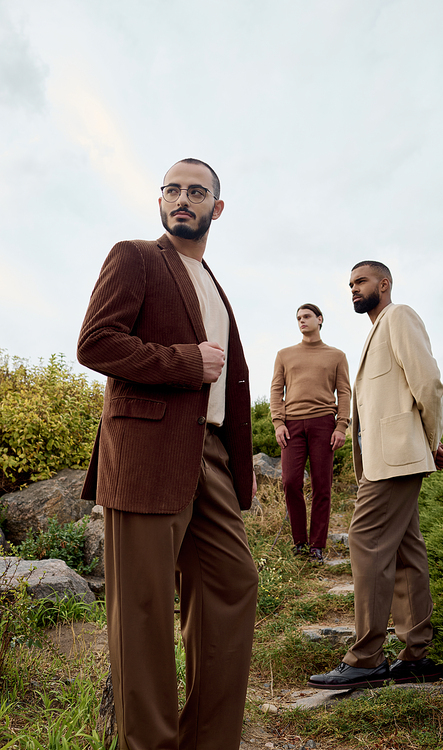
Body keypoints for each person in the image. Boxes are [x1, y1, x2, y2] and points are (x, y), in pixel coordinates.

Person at [77, 158, 259, 750]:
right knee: (145, 616)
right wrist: (186, 361)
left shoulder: (212, 283)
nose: (184, 198)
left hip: (209, 457)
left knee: (233, 585)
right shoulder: (135, 256)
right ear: (160, 202)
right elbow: (96, 342)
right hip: (147, 455)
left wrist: (235, 465)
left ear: (217, 208)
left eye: (197, 191)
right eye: (173, 190)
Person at [308, 261, 443, 690]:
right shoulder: (374, 330)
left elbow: (428, 383)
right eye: (350, 284)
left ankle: (367, 657)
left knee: (365, 540)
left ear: (384, 284)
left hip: (397, 459)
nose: (354, 289)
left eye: (361, 281)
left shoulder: (399, 316)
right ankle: (416, 656)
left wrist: (430, 441)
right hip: (385, 459)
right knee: (407, 553)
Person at [270, 304, 351, 564]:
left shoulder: (336, 355)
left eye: (306, 317)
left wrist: (342, 425)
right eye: (298, 318)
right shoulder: (284, 354)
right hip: (291, 425)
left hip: (324, 424)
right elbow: (275, 391)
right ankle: (299, 543)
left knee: (321, 485)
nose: (301, 321)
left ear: (320, 319)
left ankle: (317, 545)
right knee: (290, 482)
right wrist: (278, 423)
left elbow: (345, 392)